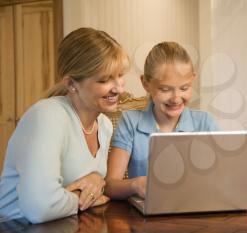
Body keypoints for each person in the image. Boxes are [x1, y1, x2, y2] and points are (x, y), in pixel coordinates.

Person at [0, 27, 129, 223]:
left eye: (120, 75)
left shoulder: (103, 125)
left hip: (65, 223)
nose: (119, 88)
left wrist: (97, 179)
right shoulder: (46, 116)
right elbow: (40, 209)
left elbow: (89, 184)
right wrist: (83, 198)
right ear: (71, 84)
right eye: (104, 79)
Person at [105, 41, 218, 199]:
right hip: (145, 215)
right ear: (146, 84)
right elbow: (110, 185)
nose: (176, 98)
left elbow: (223, 177)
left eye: (184, 88)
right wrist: (135, 184)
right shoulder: (131, 122)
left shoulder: (205, 122)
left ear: (193, 80)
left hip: (196, 209)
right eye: (165, 89)